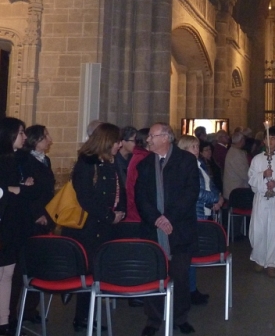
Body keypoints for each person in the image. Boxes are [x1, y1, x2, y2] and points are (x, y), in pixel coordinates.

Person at [135, 124, 200, 336]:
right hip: (153, 229)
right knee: (154, 273)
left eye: (152, 137)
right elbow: (140, 197)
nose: (148, 140)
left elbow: (190, 193)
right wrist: (156, 219)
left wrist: (169, 218)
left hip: (180, 228)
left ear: (165, 138)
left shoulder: (186, 160)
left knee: (180, 275)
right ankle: (153, 319)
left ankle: (180, 317)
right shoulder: (144, 164)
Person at [62, 122, 126, 332]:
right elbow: (86, 197)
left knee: (95, 272)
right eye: (117, 141)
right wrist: (109, 215)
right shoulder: (86, 164)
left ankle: (86, 317)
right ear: (108, 141)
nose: (120, 144)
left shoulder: (109, 161)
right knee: (88, 272)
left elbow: (117, 190)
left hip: (104, 226)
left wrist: (120, 211)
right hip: (87, 228)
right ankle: (82, 319)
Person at [9, 124, 55, 325]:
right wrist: (38, 213)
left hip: (45, 215)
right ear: (36, 139)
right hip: (30, 218)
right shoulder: (23, 159)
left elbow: (45, 190)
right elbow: (27, 191)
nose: (50, 139)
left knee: (38, 263)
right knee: (21, 267)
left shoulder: (46, 159)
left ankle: (30, 308)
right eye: (46, 136)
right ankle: (10, 312)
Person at [177, 135, 223, 305]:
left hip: (203, 210)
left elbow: (209, 182)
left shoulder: (200, 164)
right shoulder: (184, 167)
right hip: (193, 213)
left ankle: (192, 288)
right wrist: (213, 199)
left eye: (197, 147)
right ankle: (188, 290)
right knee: (189, 255)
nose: (197, 150)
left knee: (193, 253)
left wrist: (218, 195)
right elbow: (195, 191)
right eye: (193, 147)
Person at [248, 127, 275, 277]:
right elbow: (251, 178)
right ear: (263, 141)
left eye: (273, 138)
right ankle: (260, 259)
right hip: (261, 199)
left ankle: (273, 263)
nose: (270, 141)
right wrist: (262, 176)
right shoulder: (257, 159)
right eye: (268, 138)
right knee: (259, 229)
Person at [0, 117, 29, 336]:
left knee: (8, 274)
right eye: (21, 132)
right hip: (4, 223)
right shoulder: (4, 160)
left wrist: (18, 187)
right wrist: (14, 189)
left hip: (12, 225)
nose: (25, 136)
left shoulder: (16, 159)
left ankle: (4, 321)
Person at [223, 131, 249, 199]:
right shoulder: (236, 155)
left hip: (235, 188)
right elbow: (244, 174)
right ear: (241, 140)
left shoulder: (234, 151)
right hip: (236, 190)